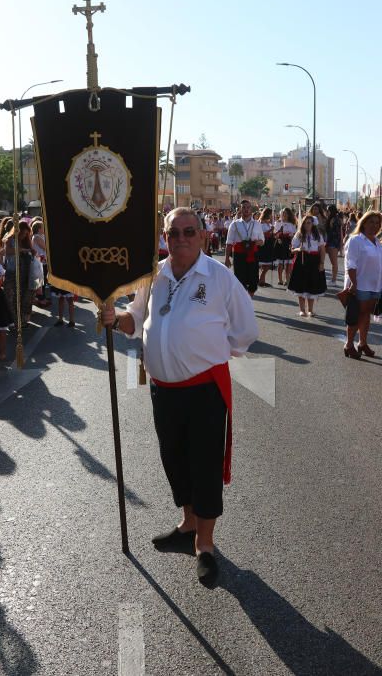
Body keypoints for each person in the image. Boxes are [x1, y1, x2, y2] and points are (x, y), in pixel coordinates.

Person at [100, 207, 258, 586]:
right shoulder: (152, 275)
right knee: (174, 459)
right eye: (174, 233)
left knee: (204, 465)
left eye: (189, 232)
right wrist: (114, 318)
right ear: (165, 237)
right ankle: (187, 525)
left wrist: (207, 352)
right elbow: (136, 320)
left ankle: (205, 544)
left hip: (205, 389)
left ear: (202, 235)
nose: (181, 239)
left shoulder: (219, 277)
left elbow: (245, 330)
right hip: (163, 389)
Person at [343, 211, 382, 359]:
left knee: (366, 316)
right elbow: (351, 263)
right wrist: (353, 282)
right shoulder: (356, 240)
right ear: (364, 223)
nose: (374, 225)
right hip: (360, 284)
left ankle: (362, 343)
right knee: (356, 316)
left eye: (377, 223)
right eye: (371, 222)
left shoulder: (377, 242)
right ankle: (348, 345)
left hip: (375, 285)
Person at [288, 214, 327, 317]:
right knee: (301, 285)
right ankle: (302, 310)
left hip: (314, 261)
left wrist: (322, 263)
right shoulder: (299, 235)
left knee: (312, 285)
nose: (306, 225)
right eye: (305, 223)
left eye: (309, 223)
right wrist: (298, 249)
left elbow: (322, 250)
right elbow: (292, 249)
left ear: (312, 224)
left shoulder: (318, 235)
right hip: (302, 260)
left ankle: (310, 310)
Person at [225, 199, 264, 297]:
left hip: (252, 254)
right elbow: (229, 243)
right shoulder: (234, 224)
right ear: (240, 209)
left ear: (251, 209)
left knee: (253, 281)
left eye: (248, 207)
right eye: (244, 207)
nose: (246, 209)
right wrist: (226, 258)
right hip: (239, 255)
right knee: (239, 280)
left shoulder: (257, 224)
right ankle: (243, 303)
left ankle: (249, 299)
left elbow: (262, 241)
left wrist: (257, 242)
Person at [3, 222, 36, 329]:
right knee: (12, 298)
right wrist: (21, 250)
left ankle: (23, 320)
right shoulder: (10, 239)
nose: (24, 236)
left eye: (26, 234)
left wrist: (32, 252)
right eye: (23, 233)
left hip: (26, 273)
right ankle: (14, 321)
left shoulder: (27, 241)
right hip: (12, 273)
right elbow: (6, 251)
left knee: (25, 297)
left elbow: (32, 253)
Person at [273, 208, 296, 286]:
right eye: (283, 213)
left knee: (288, 263)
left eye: (285, 213)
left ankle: (287, 279)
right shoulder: (278, 223)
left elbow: (294, 234)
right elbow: (275, 234)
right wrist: (278, 237)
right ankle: (280, 279)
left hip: (288, 243)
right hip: (280, 244)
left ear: (288, 215)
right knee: (280, 263)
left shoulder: (292, 224)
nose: (284, 215)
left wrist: (291, 236)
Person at [325, 205, 343, 286]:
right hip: (334, 242)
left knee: (334, 263)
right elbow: (340, 232)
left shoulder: (333, 219)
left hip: (332, 242)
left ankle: (334, 280)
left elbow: (333, 233)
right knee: (334, 262)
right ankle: (333, 279)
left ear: (331, 211)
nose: (327, 212)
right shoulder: (338, 219)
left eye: (328, 210)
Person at [257, 207, 275, 287]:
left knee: (266, 265)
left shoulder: (268, 223)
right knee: (264, 264)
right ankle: (261, 279)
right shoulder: (260, 223)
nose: (272, 216)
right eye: (271, 214)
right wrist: (271, 230)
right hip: (263, 245)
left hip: (269, 245)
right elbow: (262, 235)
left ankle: (262, 279)